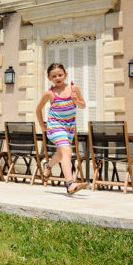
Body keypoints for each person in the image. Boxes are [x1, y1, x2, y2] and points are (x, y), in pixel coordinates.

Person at [36, 63, 89, 195]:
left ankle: (47, 166)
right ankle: (70, 184)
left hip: (69, 127)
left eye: (60, 75)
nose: (58, 78)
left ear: (65, 75)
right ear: (49, 78)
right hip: (55, 126)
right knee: (67, 151)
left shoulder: (73, 88)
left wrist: (76, 101)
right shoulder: (49, 93)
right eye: (54, 76)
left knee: (61, 154)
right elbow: (38, 109)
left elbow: (83, 105)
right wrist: (43, 126)